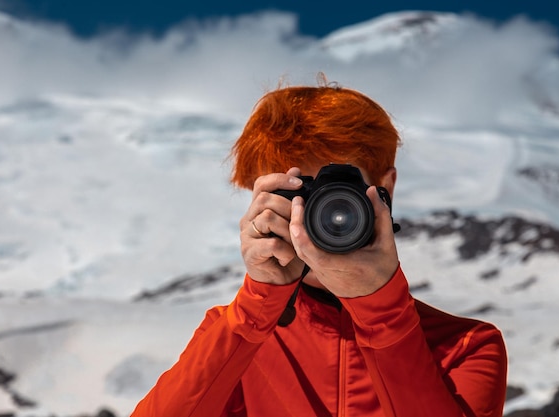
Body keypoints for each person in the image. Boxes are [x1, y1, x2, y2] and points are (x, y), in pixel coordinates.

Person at [131, 82, 507, 416]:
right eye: (299, 195)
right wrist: (258, 303)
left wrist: (381, 309)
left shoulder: (466, 347)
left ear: (386, 188)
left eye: (341, 194)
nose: (322, 216)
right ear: (261, 201)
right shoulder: (234, 337)